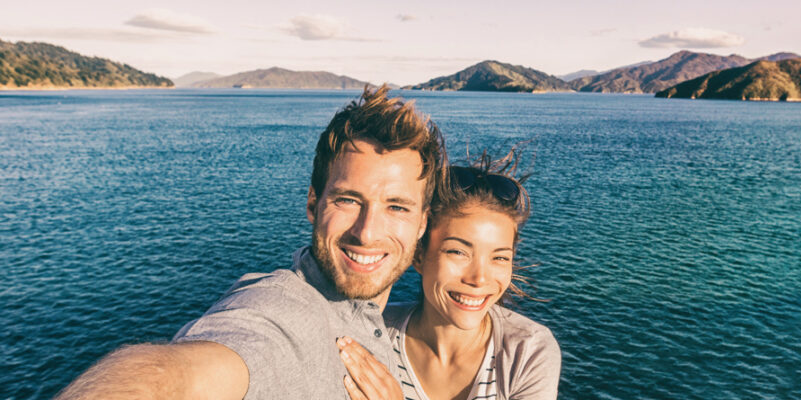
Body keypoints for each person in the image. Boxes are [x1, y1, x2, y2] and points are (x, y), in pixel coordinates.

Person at [56, 87, 445, 400]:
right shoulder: (283, 313)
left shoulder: (388, 323)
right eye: (347, 200)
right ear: (313, 203)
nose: (367, 232)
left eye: (397, 207)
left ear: (422, 222)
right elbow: (172, 379)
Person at [336, 151, 561, 400]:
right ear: (418, 255)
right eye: (458, 252)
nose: (479, 278)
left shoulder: (526, 351)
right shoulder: (371, 335)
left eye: (499, 257)